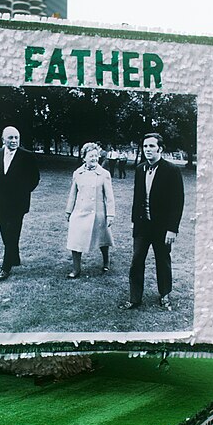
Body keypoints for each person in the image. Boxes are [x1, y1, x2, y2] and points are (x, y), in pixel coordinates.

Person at [119, 133, 185, 311]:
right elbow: (137, 197)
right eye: (145, 146)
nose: (147, 150)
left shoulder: (171, 170)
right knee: (136, 261)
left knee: (162, 260)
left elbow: (177, 202)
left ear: (160, 149)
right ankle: (134, 298)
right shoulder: (140, 169)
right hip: (142, 226)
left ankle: (164, 295)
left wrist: (172, 229)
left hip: (162, 228)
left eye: (151, 146)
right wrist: (134, 221)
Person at [0, 126, 40, 281]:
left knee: (12, 231)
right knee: (4, 230)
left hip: (18, 201)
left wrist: (23, 191)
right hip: (0, 200)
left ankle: (6, 267)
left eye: (16, 137)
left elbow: (35, 178)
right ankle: (15, 256)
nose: (14, 141)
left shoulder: (27, 156)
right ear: (3, 139)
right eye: (10, 137)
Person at [65, 142, 115, 278]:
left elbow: (109, 197)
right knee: (75, 240)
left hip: (98, 213)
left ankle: (106, 262)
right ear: (84, 158)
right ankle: (76, 269)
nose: (94, 158)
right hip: (79, 212)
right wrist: (68, 211)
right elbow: (72, 194)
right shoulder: (77, 173)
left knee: (103, 239)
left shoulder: (104, 174)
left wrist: (110, 215)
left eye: (96, 156)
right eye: (91, 156)